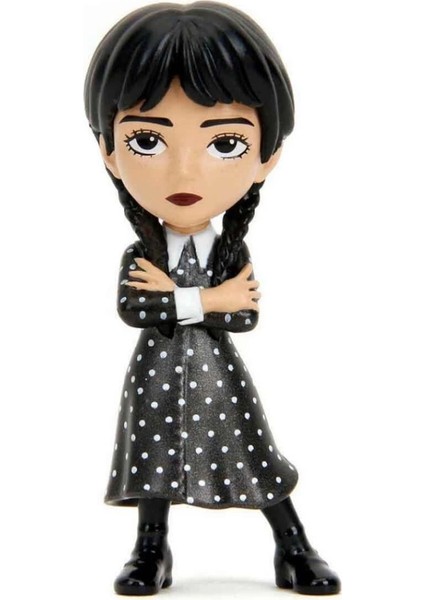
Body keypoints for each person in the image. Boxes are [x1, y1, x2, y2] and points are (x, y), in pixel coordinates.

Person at [84, 2, 341, 595]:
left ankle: (293, 544)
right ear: (109, 150)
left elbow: (243, 313)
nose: (185, 172)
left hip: (218, 374)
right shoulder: (143, 255)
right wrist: (208, 298)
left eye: (224, 142)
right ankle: (151, 549)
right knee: (151, 458)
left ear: (267, 156)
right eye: (147, 139)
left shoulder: (229, 252)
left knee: (254, 451)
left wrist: (183, 298)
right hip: (155, 372)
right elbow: (136, 309)